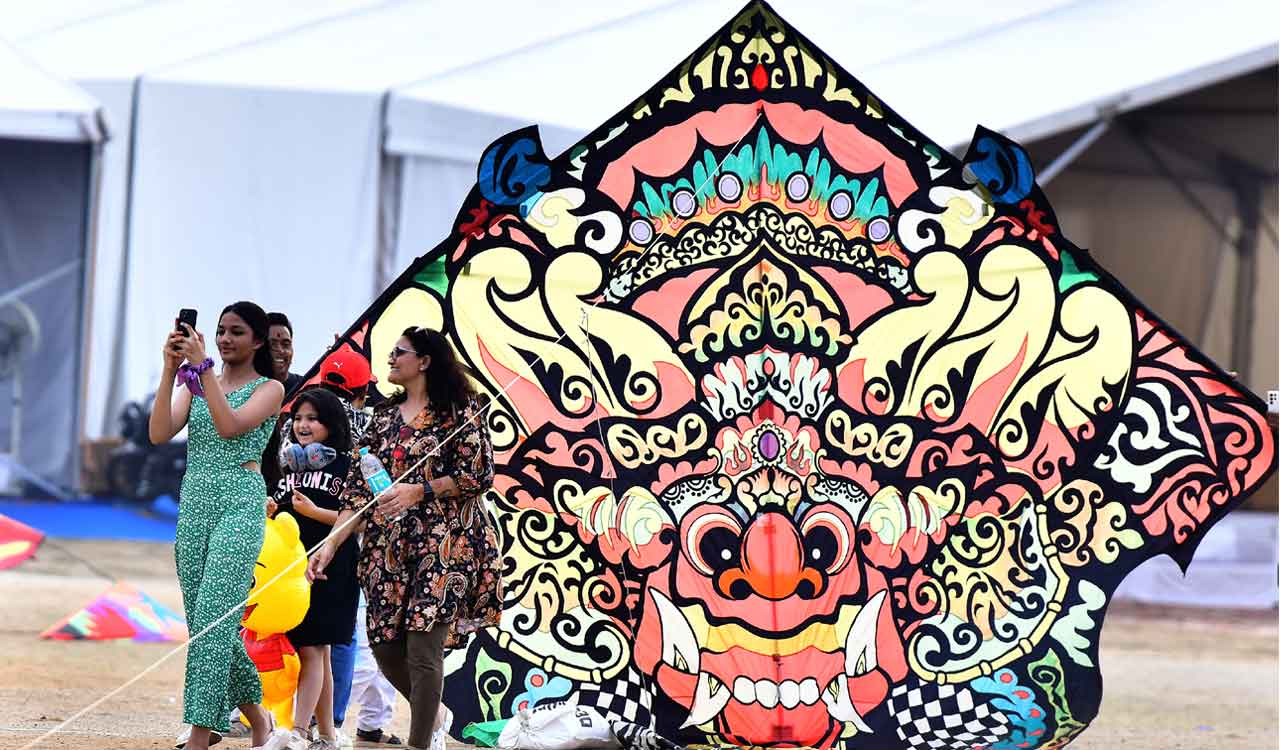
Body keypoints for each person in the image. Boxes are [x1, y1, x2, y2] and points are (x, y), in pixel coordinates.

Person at [308, 327, 502, 750]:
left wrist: (421, 489)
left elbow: (479, 474)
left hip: (445, 545)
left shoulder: (460, 411)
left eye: (399, 352)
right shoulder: (382, 416)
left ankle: (420, 743)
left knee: (423, 650)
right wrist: (331, 545)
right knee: (383, 647)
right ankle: (433, 713)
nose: (391, 359)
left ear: (425, 361)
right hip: (386, 548)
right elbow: (359, 491)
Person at [149, 301, 288, 750]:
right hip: (194, 504)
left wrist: (202, 368)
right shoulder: (195, 382)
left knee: (213, 622)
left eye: (237, 332)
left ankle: (199, 735)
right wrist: (171, 371)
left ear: (258, 341)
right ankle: (258, 719)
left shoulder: (271, 389)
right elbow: (157, 433)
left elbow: (229, 427)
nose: (226, 339)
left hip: (240, 503)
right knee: (208, 625)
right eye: (221, 331)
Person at [272, 389, 360, 750]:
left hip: (331, 565)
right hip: (294, 565)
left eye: (312, 418)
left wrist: (313, 514)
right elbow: (282, 508)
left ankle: (298, 729)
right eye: (298, 418)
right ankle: (326, 735)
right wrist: (272, 507)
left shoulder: (348, 464)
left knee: (311, 649)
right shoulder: (290, 465)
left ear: (331, 424)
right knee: (317, 652)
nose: (303, 425)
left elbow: (360, 517)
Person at [267, 312, 305, 394]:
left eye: (286, 344)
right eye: (272, 344)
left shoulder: (306, 388)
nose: (280, 350)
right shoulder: (242, 392)